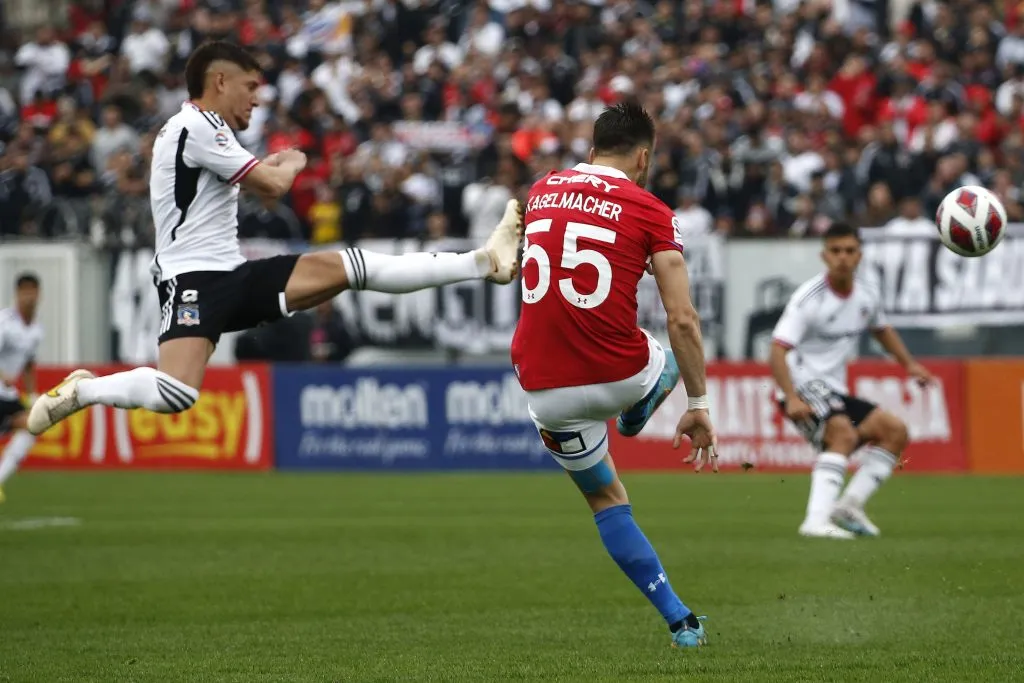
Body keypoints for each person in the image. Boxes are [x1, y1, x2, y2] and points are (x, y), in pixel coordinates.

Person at [27, 41, 521, 435]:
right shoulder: (193, 127)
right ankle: (84, 391)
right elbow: (273, 185)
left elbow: (264, 184)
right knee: (177, 394)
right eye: (250, 86)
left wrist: (277, 164)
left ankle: (483, 262)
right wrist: (293, 159)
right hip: (192, 277)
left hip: (233, 274)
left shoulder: (210, 130)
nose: (258, 98)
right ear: (220, 81)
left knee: (350, 267)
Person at [509, 101, 718, 650]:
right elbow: (683, 318)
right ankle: (643, 401)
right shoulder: (650, 209)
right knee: (668, 350)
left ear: (591, 148)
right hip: (620, 371)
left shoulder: (542, 189)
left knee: (606, 500)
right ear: (643, 155)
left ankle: (680, 621)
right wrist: (699, 404)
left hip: (541, 387)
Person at [768, 222, 934, 539]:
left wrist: (910, 365)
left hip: (834, 389)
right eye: (835, 251)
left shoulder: (867, 294)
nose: (842, 258)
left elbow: (881, 329)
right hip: (801, 385)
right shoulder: (808, 299)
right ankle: (816, 522)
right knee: (842, 434)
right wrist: (790, 397)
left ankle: (850, 505)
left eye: (849, 251)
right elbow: (777, 349)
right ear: (824, 256)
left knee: (894, 431)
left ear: (860, 255)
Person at [0, 274, 43, 501]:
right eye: (24, 291)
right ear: (16, 294)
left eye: (33, 291)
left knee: (33, 425)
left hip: (6, 395)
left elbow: (28, 364)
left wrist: (33, 393)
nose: (29, 296)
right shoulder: (5, 322)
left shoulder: (36, 329)